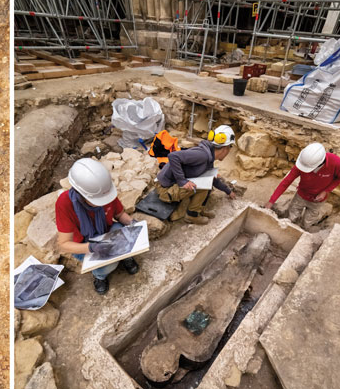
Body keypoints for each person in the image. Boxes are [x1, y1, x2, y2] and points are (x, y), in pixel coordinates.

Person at [55, 158, 140, 295]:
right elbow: (64, 244)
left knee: (126, 238)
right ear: (81, 194)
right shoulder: (64, 204)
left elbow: (119, 214)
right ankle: (100, 276)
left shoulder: (105, 191)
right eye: (98, 200)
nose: (104, 202)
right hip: (84, 244)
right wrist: (91, 247)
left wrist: (132, 223)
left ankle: (126, 257)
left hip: (107, 232)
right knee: (108, 265)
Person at [155, 125, 237, 225]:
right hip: (165, 189)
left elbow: (212, 178)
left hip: (171, 185)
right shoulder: (202, 155)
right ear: (225, 148)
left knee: (209, 180)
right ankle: (191, 216)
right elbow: (173, 156)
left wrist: (228, 191)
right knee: (205, 185)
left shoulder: (209, 156)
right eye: (229, 148)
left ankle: (199, 210)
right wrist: (182, 181)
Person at [265, 142, 340, 230]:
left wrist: (326, 191)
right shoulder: (303, 162)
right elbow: (286, 182)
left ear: (320, 163)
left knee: (307, 223)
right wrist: (271, 201)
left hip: (317, 201)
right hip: (301, 195)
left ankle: (302, 231)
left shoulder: (336, 163)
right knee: (291, 218)